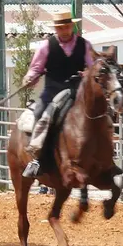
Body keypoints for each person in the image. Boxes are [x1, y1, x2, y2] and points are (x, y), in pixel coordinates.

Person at [20, 11, 95, 178]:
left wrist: (88, 73)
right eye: (61, 28)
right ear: (56, 28)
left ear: (72, 26)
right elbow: (36, 68)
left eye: (68, 27)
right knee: (40, 114)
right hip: (52, 91)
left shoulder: (85, 45)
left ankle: (103, 156)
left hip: (78, 91)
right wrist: (29, 78)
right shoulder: (46, 46)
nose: (65, 30)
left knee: (98, 113)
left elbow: (93, 67)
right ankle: (38, 157)